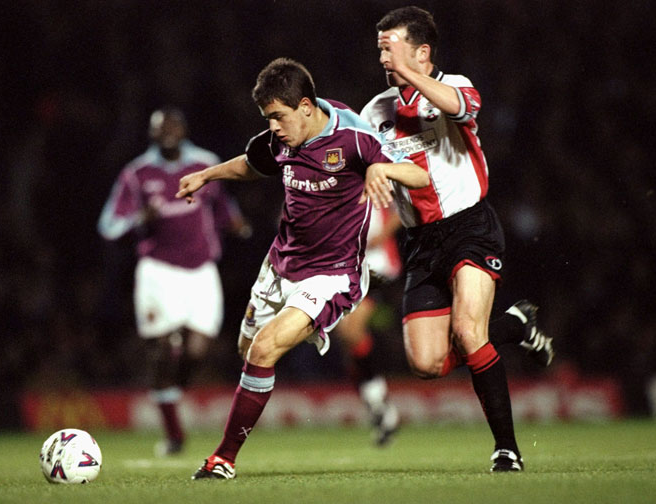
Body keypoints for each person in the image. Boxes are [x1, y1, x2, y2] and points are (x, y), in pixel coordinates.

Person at [175, 57, 428, 480]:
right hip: (279, 266)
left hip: (332, 274)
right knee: (248, 351)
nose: (273, 126)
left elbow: (416, 176)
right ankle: (307, 328)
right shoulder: (281, 137)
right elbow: (253, 165)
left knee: (264, 350)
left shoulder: (354, 138)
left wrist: (384, 167)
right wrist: (208, 175)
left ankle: (222, 459)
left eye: (278, 116)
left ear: (306, 107)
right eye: (267, 118)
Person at [359, 6, 552, 472]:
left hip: (470, 227)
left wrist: (409, 76)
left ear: (422, 51)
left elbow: (462, 107)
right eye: (380, 47)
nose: (383, 55)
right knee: (425, 364)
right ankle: (513, 327)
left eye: (392, 46)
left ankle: (506, 448)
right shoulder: (375, 111)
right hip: (420, 243)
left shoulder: (455, 85)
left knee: (468, 332)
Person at [97, 107, 251, 456]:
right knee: (162, 350)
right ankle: (174, 435)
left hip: (201, 271)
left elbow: (223, 204)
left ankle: (169, 392)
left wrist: (237, 223)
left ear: (184, 129)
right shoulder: (137, 173)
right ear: (151, 134)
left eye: (173, 125)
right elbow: (108, 224)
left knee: (197, 351)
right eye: (160, 127)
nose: (167, 131)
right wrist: (139, 218)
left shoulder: (205, 163)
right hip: (158, 272)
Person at [333, 205, 403, 446]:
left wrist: (380, 237)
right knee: (348, 339)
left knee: (349, 331)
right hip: (344, 266)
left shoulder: (381, 171)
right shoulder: (333, 175)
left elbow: (404, 208)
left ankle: (377, 400)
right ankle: (378, 405)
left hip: (378, 265)